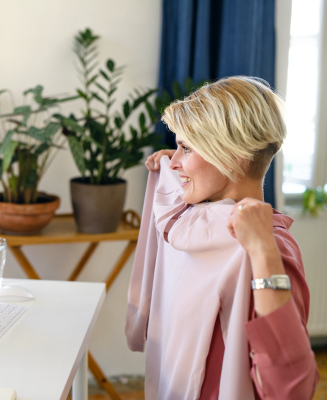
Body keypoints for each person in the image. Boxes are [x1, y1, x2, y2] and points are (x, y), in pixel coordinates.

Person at [126, 76, 318, 399]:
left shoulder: (272, 250)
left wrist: (263, 252)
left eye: (186, 147)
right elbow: (181, 178)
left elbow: (292, 388)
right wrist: (178, 168)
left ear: (231, 157)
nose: (173, 161)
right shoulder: (193, 217)